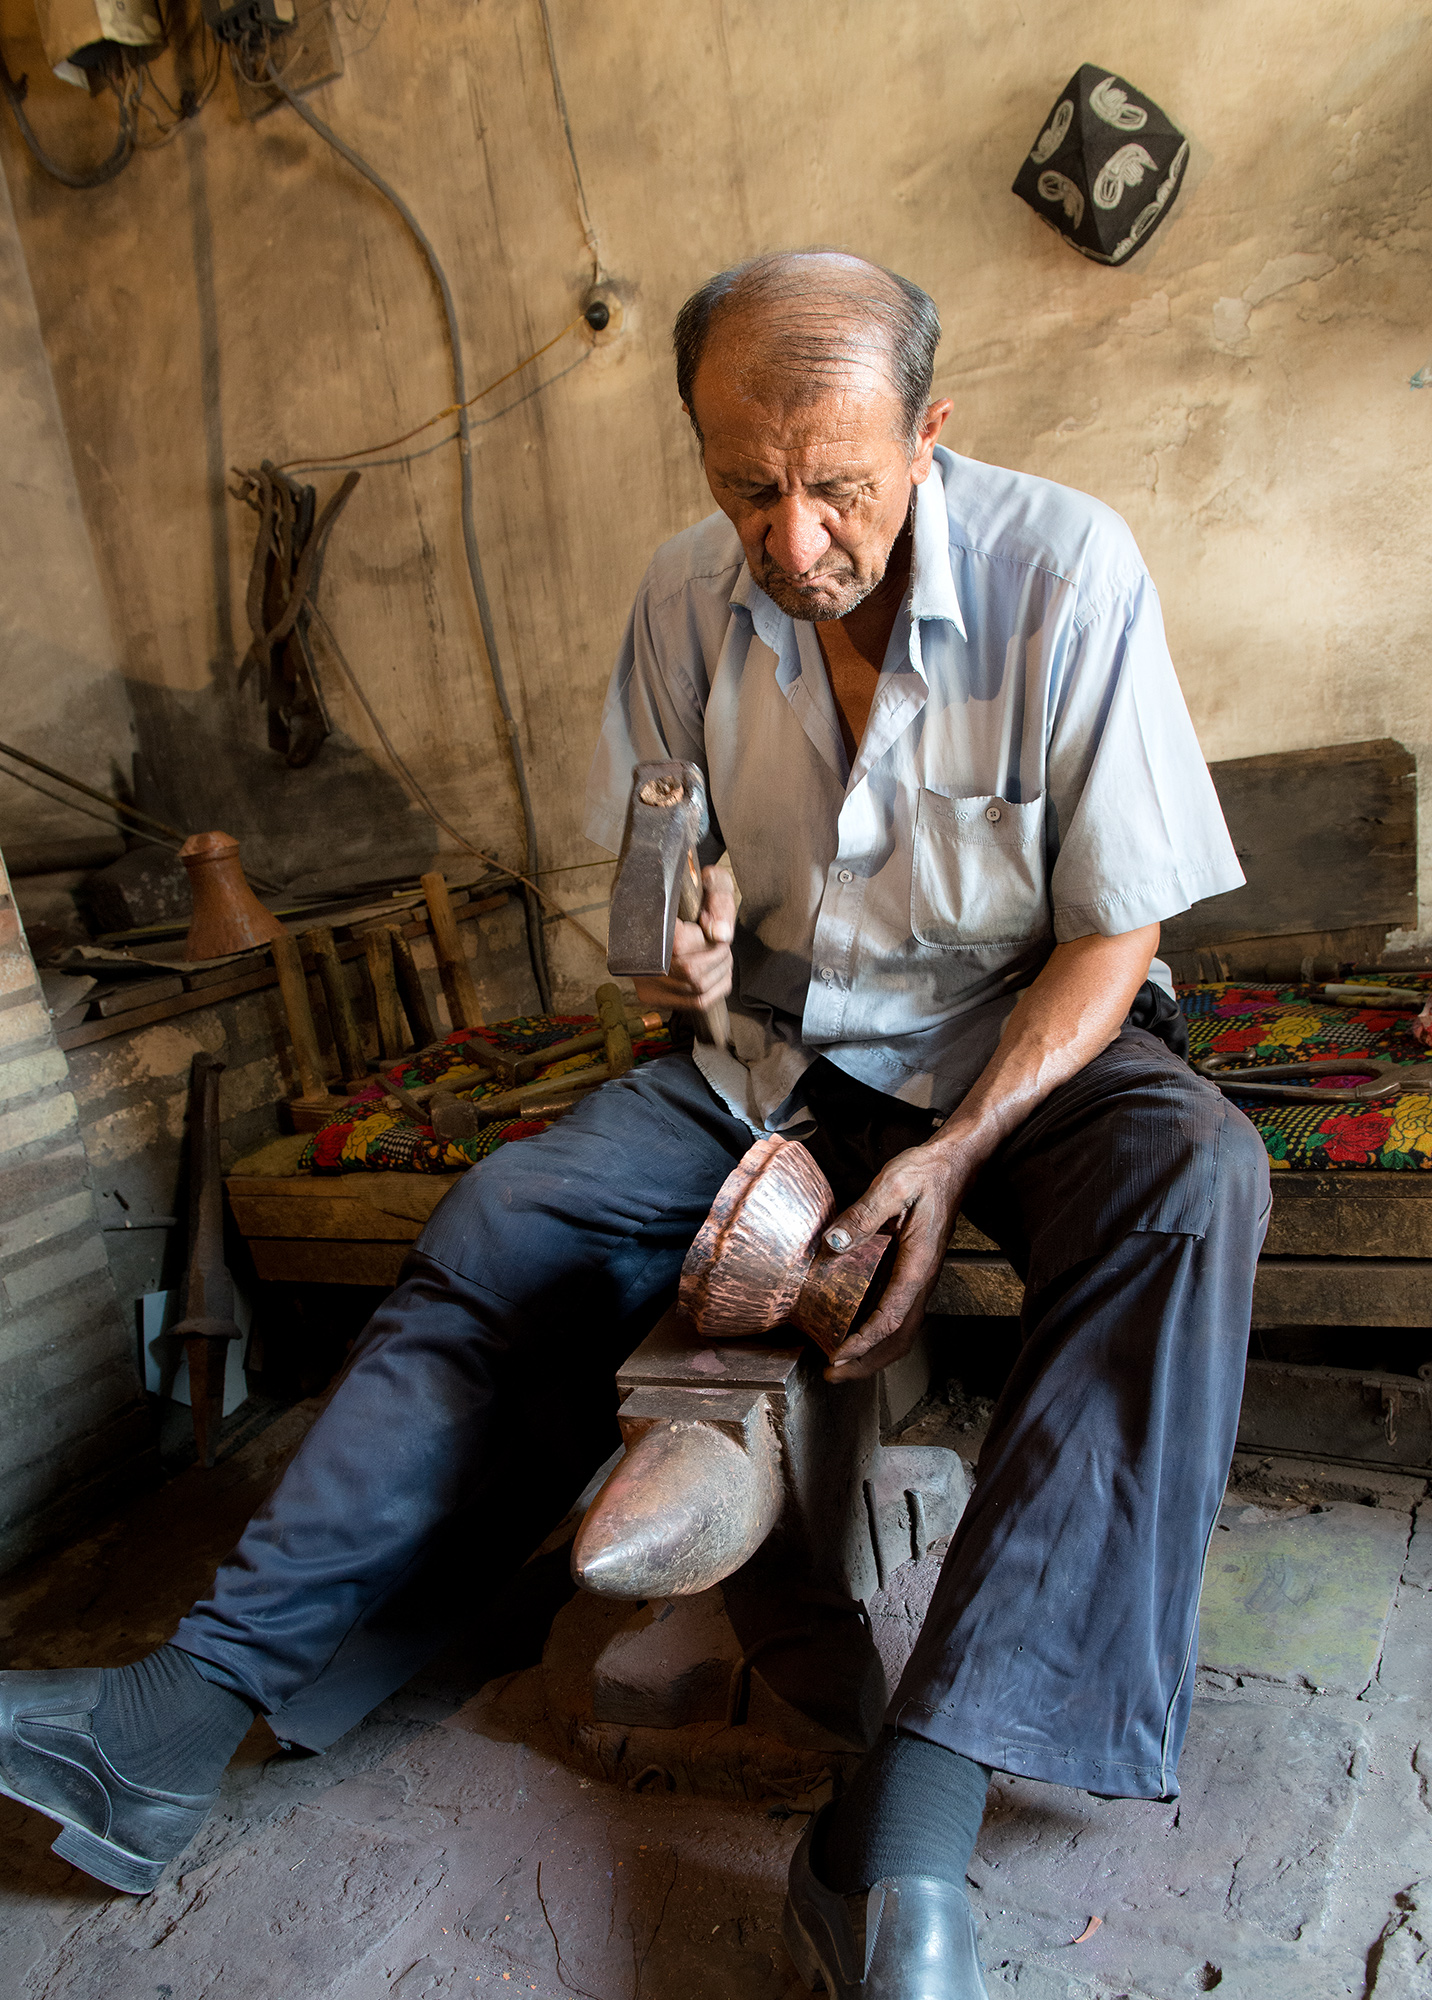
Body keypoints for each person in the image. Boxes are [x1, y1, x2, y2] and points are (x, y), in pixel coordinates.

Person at [0, 252, 1268, 2000]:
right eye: (746, 486)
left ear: (932, 434)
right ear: (698, 450)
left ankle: (896, 1833)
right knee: (504, 1222)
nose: (794, 539)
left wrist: (953, 1153)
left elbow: (1113, 934)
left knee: (1196, 1178)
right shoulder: (689, 597)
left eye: (839, 487)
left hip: (1028, 1033)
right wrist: (676, 957)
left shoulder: (1071, 567)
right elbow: (664, 900)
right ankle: (180, 1709)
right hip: (791, 1040)